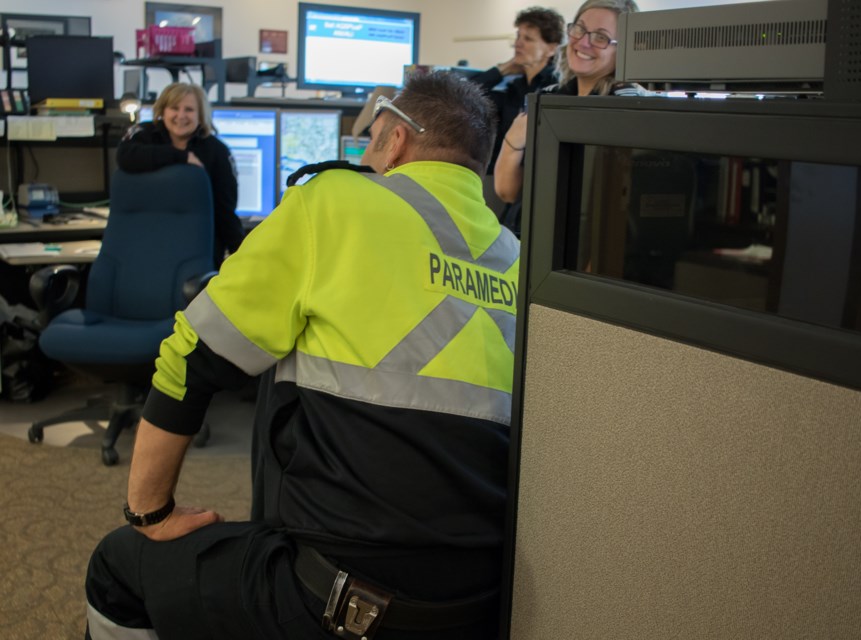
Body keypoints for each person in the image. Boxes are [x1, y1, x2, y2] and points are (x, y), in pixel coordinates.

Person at [85, 72, 519, 640]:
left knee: (119, 565)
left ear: (395, 140)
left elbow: (192, 356)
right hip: (479, 605)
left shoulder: (334, 202)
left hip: (337, 601)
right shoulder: (520, 260)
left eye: (369, 141)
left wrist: (151, 512)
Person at [494, 0, 640, 235]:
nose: (583, 42)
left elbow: (614, 209)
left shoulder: (626, 103)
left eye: (601, 37)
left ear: (624, 50)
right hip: (530, 236)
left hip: (580, 245)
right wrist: (514, 139)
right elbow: (507, 191)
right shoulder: (548, 96)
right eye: (580, 29)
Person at [116, 82, 244, 268]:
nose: (181, 116)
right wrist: (181, 157)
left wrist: (242, 259)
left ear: (200, 115)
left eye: (189, 110)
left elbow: (225, 212)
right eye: (174, 108)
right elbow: (124, 156)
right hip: (147, 247)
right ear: (163, 110)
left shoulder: (217, 152)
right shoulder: (143, 135)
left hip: (198, 252)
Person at [471, 6, 565, 174]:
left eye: (528, 39)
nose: (518, 43)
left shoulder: (557, 87)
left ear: (552, 48)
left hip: (536, 177)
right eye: (518, 36)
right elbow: (466, 94)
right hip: (500, 176)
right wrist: (502, 70)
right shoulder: (514, 88)